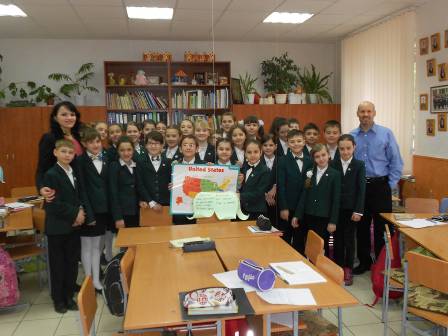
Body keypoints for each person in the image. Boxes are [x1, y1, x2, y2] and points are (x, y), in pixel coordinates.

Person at [350, 101, 403, 275]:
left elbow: (396, 162)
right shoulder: (351, 136)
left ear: (374, 113)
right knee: (362, 227)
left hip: (381, 186)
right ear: (357, 114)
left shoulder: (386, 134)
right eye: (362, 111)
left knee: (383, 227)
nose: (365, 114)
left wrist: (389, 185)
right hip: (360, 187)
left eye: (368, 111)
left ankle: (381, 264)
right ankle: (364, 262)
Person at [43, 139, 87, 313]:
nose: (67, 155)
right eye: (63, 152)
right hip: (58, 228)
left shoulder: (72, 171)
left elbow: (76, 196)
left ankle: (69, 297)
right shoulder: (52, 174)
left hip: (73, 226)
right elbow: (53, 204)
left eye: (70, 152)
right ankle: (58, 300)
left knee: (71, 264)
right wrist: (75, 213)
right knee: (58, 265)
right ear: (55, 153)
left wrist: (81, 210)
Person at [292, 144, 341, 255]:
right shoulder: (310, 172)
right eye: (317, 156)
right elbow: (304, 195)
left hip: (324, 217)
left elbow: (336, 200)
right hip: (308, 215)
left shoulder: (335, 175)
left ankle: (321, 268)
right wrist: (297, 215)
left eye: (323, 155)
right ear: (313, 159)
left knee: (322, 246)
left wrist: (333, 221)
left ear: (328, 155)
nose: (321, 158)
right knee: (307, 244)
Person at [331, 134, 366, 286]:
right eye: (342, 149)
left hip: (351, 209)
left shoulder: (359, 165)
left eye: (348, 148)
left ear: (354, 148)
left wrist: (358, 211)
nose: (345, 152)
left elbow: (361, 190)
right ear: (338, 149)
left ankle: (348, 268)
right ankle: (338, 267)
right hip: (336, 209)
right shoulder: (332, 163)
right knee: (337, 239)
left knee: (349, 240)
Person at [77, 128, 109, 292]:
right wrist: (88, 213)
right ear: (84, 144)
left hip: (102, 210)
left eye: (97, 141)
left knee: (97, 247)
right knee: (86, 246)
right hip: (89, 211)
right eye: (91, 142)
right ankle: (88, 279)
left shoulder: (106, 158)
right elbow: (81, 188)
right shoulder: (80, 161)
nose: (95, 145)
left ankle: (96, 280)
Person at [36, 101, 84, 201]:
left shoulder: (79, 136)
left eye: (72, 114)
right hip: (61, 190)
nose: (69, 118)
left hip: (82, 188)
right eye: (64, 114)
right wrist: (41, 188)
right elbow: (42, 168)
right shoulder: (49, 138)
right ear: (55, 117)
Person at [277, 130, 312, 248]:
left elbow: (309, 185)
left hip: (304, 207)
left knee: (300, 239)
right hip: (288, 206)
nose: (296, 144)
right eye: (292, 142)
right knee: (285, 238)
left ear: (304, 142)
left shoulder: (310, 161)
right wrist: (283, 207)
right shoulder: (282, 161)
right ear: (287, 143)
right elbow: (280, 185)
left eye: (299, 141)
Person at [108, 136, 149, 228]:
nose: (126, 153)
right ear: (117, 151)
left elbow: (138, 187)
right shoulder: (114, 166)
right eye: (122, 150)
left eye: (129, 150)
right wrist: (118, 217)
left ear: (133, 150)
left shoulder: (136, 165)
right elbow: (113, 193)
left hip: (136, 212)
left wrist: (140, 200)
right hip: (122, 214)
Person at [172, 135, 204, 225]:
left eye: (191, 145)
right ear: (180, 149)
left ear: (197, 148)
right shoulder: (174, 165)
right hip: (180, 208)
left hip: (199, 208)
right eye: (185, 145)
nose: (188, 147)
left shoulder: (204, 166)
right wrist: (170, 187)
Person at [137, 131, 172, 211]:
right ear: (145, 145)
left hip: (166, 204)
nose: (153, 146)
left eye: (156, 143)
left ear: (162, 145)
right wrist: (151, 202)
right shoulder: (140, 161)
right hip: (147, 204)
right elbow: (140, 184)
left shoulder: (168, 162)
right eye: (150, 143)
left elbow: (171, 182)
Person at [238, 139, 271, 220]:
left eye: (255, 152)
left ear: (261, 152)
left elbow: (259, 192)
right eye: (249, 152)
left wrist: (240, 196)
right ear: (245, 154)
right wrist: (239, 183)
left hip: (257, 211)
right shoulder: (243, 168)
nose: (252, 155)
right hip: (242, 210)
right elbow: (242, 187)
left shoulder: (265, 170)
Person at [261, 134, 278, 227]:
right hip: (261, 200)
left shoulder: (281, 161)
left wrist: (275, 186)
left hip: (276, 200)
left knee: (275, 226)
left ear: (275, 146)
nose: (268, 148)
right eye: (265, 145)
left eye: (271, 145)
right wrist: (265, 194)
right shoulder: (257, 160)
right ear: (261, 146)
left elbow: (283, 178)